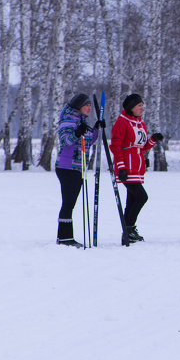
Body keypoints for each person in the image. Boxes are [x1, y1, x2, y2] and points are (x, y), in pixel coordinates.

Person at [110, 93, 163, 245]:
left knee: (133, 200)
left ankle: (128, 233)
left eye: (142, 105)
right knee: (141, 197)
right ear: (131, 107)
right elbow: (116, 146)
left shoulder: (140, 124)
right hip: (127, 167)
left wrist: (153, 140)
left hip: (137, 167)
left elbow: (142, 147)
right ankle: (129, 228)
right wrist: (120, 167)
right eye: (139, 105)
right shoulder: (122, 122)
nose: (142, 108)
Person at [54, 93, 103, 247]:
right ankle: (64, 237)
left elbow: (89, 141)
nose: (89, 108)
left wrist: (96, 129)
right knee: (68, 203)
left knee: (71, 202)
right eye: (86, 105)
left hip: (78, 167)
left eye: (90, 105)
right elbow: (66, 141)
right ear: (78, 107)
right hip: (67, 167)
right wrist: (77, 132)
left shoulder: (82, 122)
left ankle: (66, 237)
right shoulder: (67, 121)